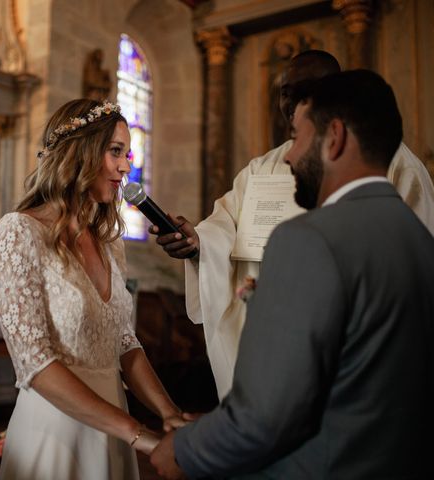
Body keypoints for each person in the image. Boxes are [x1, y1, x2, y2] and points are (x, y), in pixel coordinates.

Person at [150, 70, 434, 479]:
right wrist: (200, 243)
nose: (288, 155)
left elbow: (267, 416)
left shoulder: (306, 240)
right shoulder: (422, 242)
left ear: (334, 137)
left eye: (299, 138)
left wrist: (184, 449)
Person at [0, 99, 189, 479]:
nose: (126, 166)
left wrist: (170, 414)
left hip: (113, 429)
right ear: (79, 152)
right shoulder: (19, 233)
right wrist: (141, 437)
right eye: (115, 151)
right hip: (55, 433)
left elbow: (125, 343)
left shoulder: (109, 241)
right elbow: (35, 362)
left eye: (126, 154)